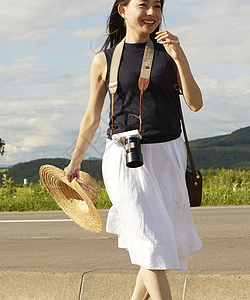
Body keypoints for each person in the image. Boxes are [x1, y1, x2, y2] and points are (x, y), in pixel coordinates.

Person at [64, 0, 203, 299]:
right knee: (150, 241)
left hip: (168, 155)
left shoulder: (169, 52)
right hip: (124, 157)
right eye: (144, 5)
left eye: (157, 6)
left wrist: (180, 58)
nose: (152, 13)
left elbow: (195, 103)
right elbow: (91, 116)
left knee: (157, 242)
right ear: (123, 10)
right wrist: (75, 161)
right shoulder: (105, 60)